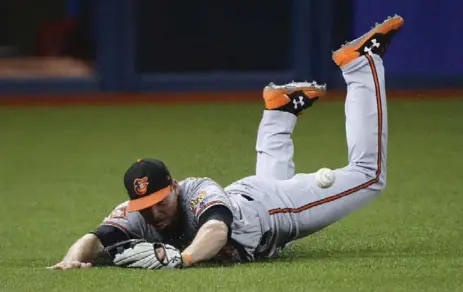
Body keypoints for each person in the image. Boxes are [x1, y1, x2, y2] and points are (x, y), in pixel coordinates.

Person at [47, 15, 404, 270]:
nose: (155, 211)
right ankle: (279, 112)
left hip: (274, 212)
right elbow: (95, 237)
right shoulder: (138, 213)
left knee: (369, 175)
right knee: (272, 209)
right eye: (146, 205)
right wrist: (72, 258)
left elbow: (217, 231)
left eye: (160, 200)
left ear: (173, 186)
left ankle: (360, 65)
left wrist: (184, 259)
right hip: (256, 200)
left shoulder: (198, 191)